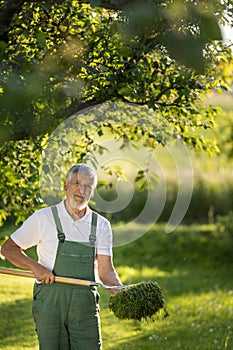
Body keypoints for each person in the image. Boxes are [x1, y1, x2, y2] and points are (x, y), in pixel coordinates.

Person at [1, 163, 123, 350]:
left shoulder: (101, 225)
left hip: (84, 306)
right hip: (50, 303)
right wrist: (36, 267)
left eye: (88, 186)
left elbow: (106, 271)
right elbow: (9, 248)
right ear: (66, 186)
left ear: (92, 192)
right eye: (77, 183)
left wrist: (122, 292)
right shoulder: (44, 218)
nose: (82, 190)